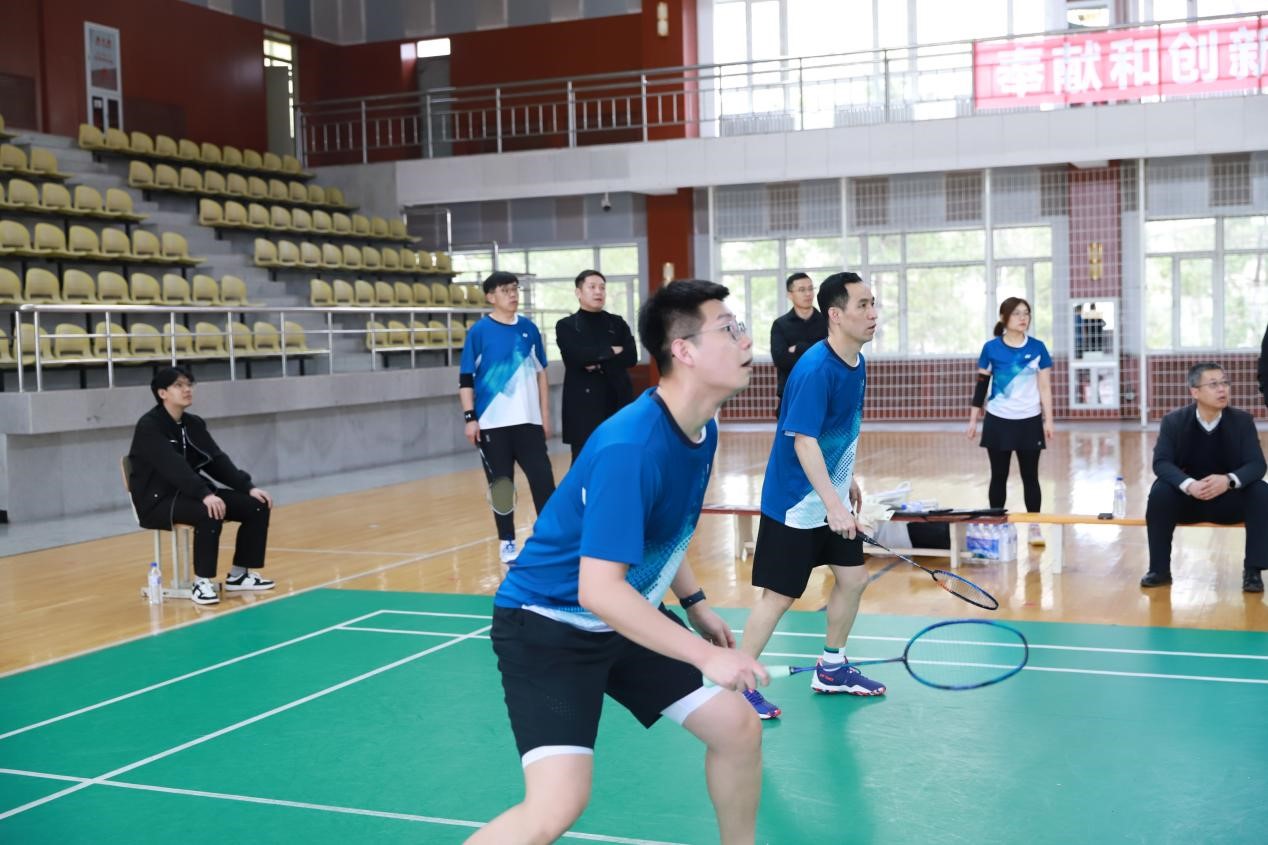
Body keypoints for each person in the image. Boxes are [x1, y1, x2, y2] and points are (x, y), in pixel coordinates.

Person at [469, 280, 767, 845]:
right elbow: (598, 591)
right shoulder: (631, 447)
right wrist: (706, 655)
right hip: (548, 625)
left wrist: (696, 604)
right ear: (683, 350)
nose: (746, 340)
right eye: (729, 329)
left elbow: (664, 531)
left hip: (621, 617)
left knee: (736, 727)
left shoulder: (700, 428)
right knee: (556, 806)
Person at [738, 271, 882, 721]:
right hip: (797, 504)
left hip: (830, 496)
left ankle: (832, 668)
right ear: (835, 315)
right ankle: (736, 685)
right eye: (862, 305)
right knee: (778, 597)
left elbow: (837, 432)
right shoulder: (816, 369)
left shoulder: (856, 362)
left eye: (873, 303)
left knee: (853, 579)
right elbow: (803, 440)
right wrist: (833, 505)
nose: (873, 313)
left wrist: (845, 480)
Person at [126, 366, 275, 606]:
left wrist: (247, 487)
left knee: (256, 505)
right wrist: (205, 494)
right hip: (158, 500)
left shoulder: (193, 423)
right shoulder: (149, 426)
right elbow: (172, 466)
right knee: (210, 510)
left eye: (189, 384)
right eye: (179, 385)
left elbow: (216, 459)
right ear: (162, 393)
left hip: (191, 493)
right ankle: (202, 582)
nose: (187, 390)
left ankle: (239, 575)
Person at [1142, 362, 1267, 593]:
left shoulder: (1242, 421)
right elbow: (1161, 462)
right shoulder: (1173, 421)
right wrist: (1189, 485)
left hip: (1228, 501)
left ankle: (1253, 571)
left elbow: (1257, 465)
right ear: (1195, 392)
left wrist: (1228, 480)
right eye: (1213, 384)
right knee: (1160, 492)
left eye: (1225, 383)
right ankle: (1159, 570)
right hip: (1188, 501)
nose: (1222, 389)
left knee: (1261, 490)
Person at [459, 270, 557, 564]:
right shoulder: (479, 332)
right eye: (505, 290)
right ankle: (507, 540)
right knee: (501, 485)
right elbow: (466, 379)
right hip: (492, 424)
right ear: (491, 297)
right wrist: (470, 418)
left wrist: (545, 415)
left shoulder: (529, 329)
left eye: (515, 289)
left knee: (543, 481)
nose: (513, 295)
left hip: (528, 423)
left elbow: (541, 374)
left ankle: (550, 539)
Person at [966, 297, 1054, 547]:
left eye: (1026, 313)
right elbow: (981, 386)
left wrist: (1048, 420)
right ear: (1004, 318)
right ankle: (996, 525)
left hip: (1029, 421)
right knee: (998, 476)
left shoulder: (1038, 348)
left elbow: (1045, 387)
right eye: (1016, 313)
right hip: (998, 420)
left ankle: (1034, 527)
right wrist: (973, 419)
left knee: (1030, 476)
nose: (1023, 318)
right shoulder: (991, 348)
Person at [555, 269, 637, 463]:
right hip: (584, 407)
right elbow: (575, 358)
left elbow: (631, 357)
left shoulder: (616, 323)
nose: (598, 292)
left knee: (620, 460)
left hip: (617, 401)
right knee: (585, 463)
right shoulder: (567, 325)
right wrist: (612, 351)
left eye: (602, 287)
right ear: (578, 292)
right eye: (592, 287)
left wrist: (596, 358)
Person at [769, 272, 827, 417]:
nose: (808, 294)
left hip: (823, 392)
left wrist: (798, 348)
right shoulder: (780, 325)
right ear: (790, 295)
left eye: (811, 288)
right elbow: (780, 360)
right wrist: (816, 352)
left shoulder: (827, 322)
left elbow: (832, 355)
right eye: (802, 290)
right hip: (791, 393)